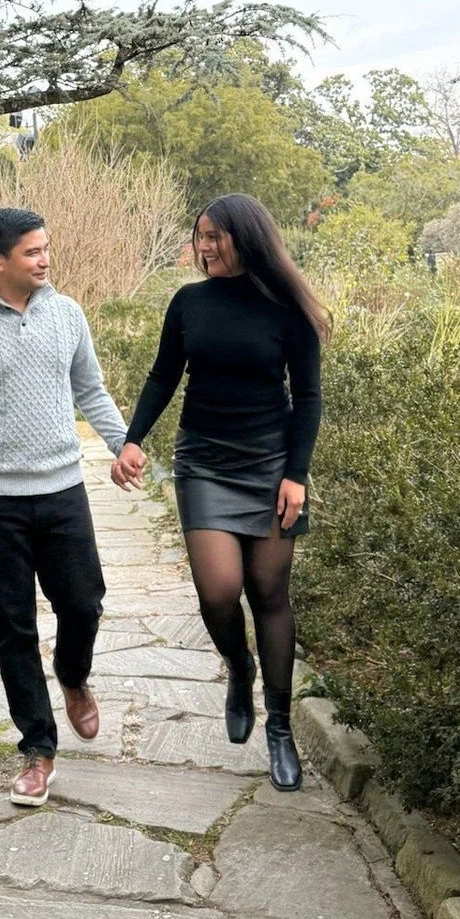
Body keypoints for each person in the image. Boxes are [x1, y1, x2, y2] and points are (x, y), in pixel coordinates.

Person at [113, 194, 328, 792]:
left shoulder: (288, 309)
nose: (204, 246)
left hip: (270, 465)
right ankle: (239, 666)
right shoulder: (189, 303)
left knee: (269, 593)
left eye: (216, 237)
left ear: (247, 238)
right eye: (200, 235)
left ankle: (280, 730)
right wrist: (133, 440)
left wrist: (296, 475)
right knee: (219, 592)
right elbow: (164, 374)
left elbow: (307, 398)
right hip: (204, 461)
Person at [0, 206, 129, 807]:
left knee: (84, 604)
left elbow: (90, 387)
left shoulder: (66, 314)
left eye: (45, 249)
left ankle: (72, 677)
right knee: (14, 627)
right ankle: (37, 750)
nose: (45, 259)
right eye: (33, 252)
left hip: (63, 491)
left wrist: (123, 446)